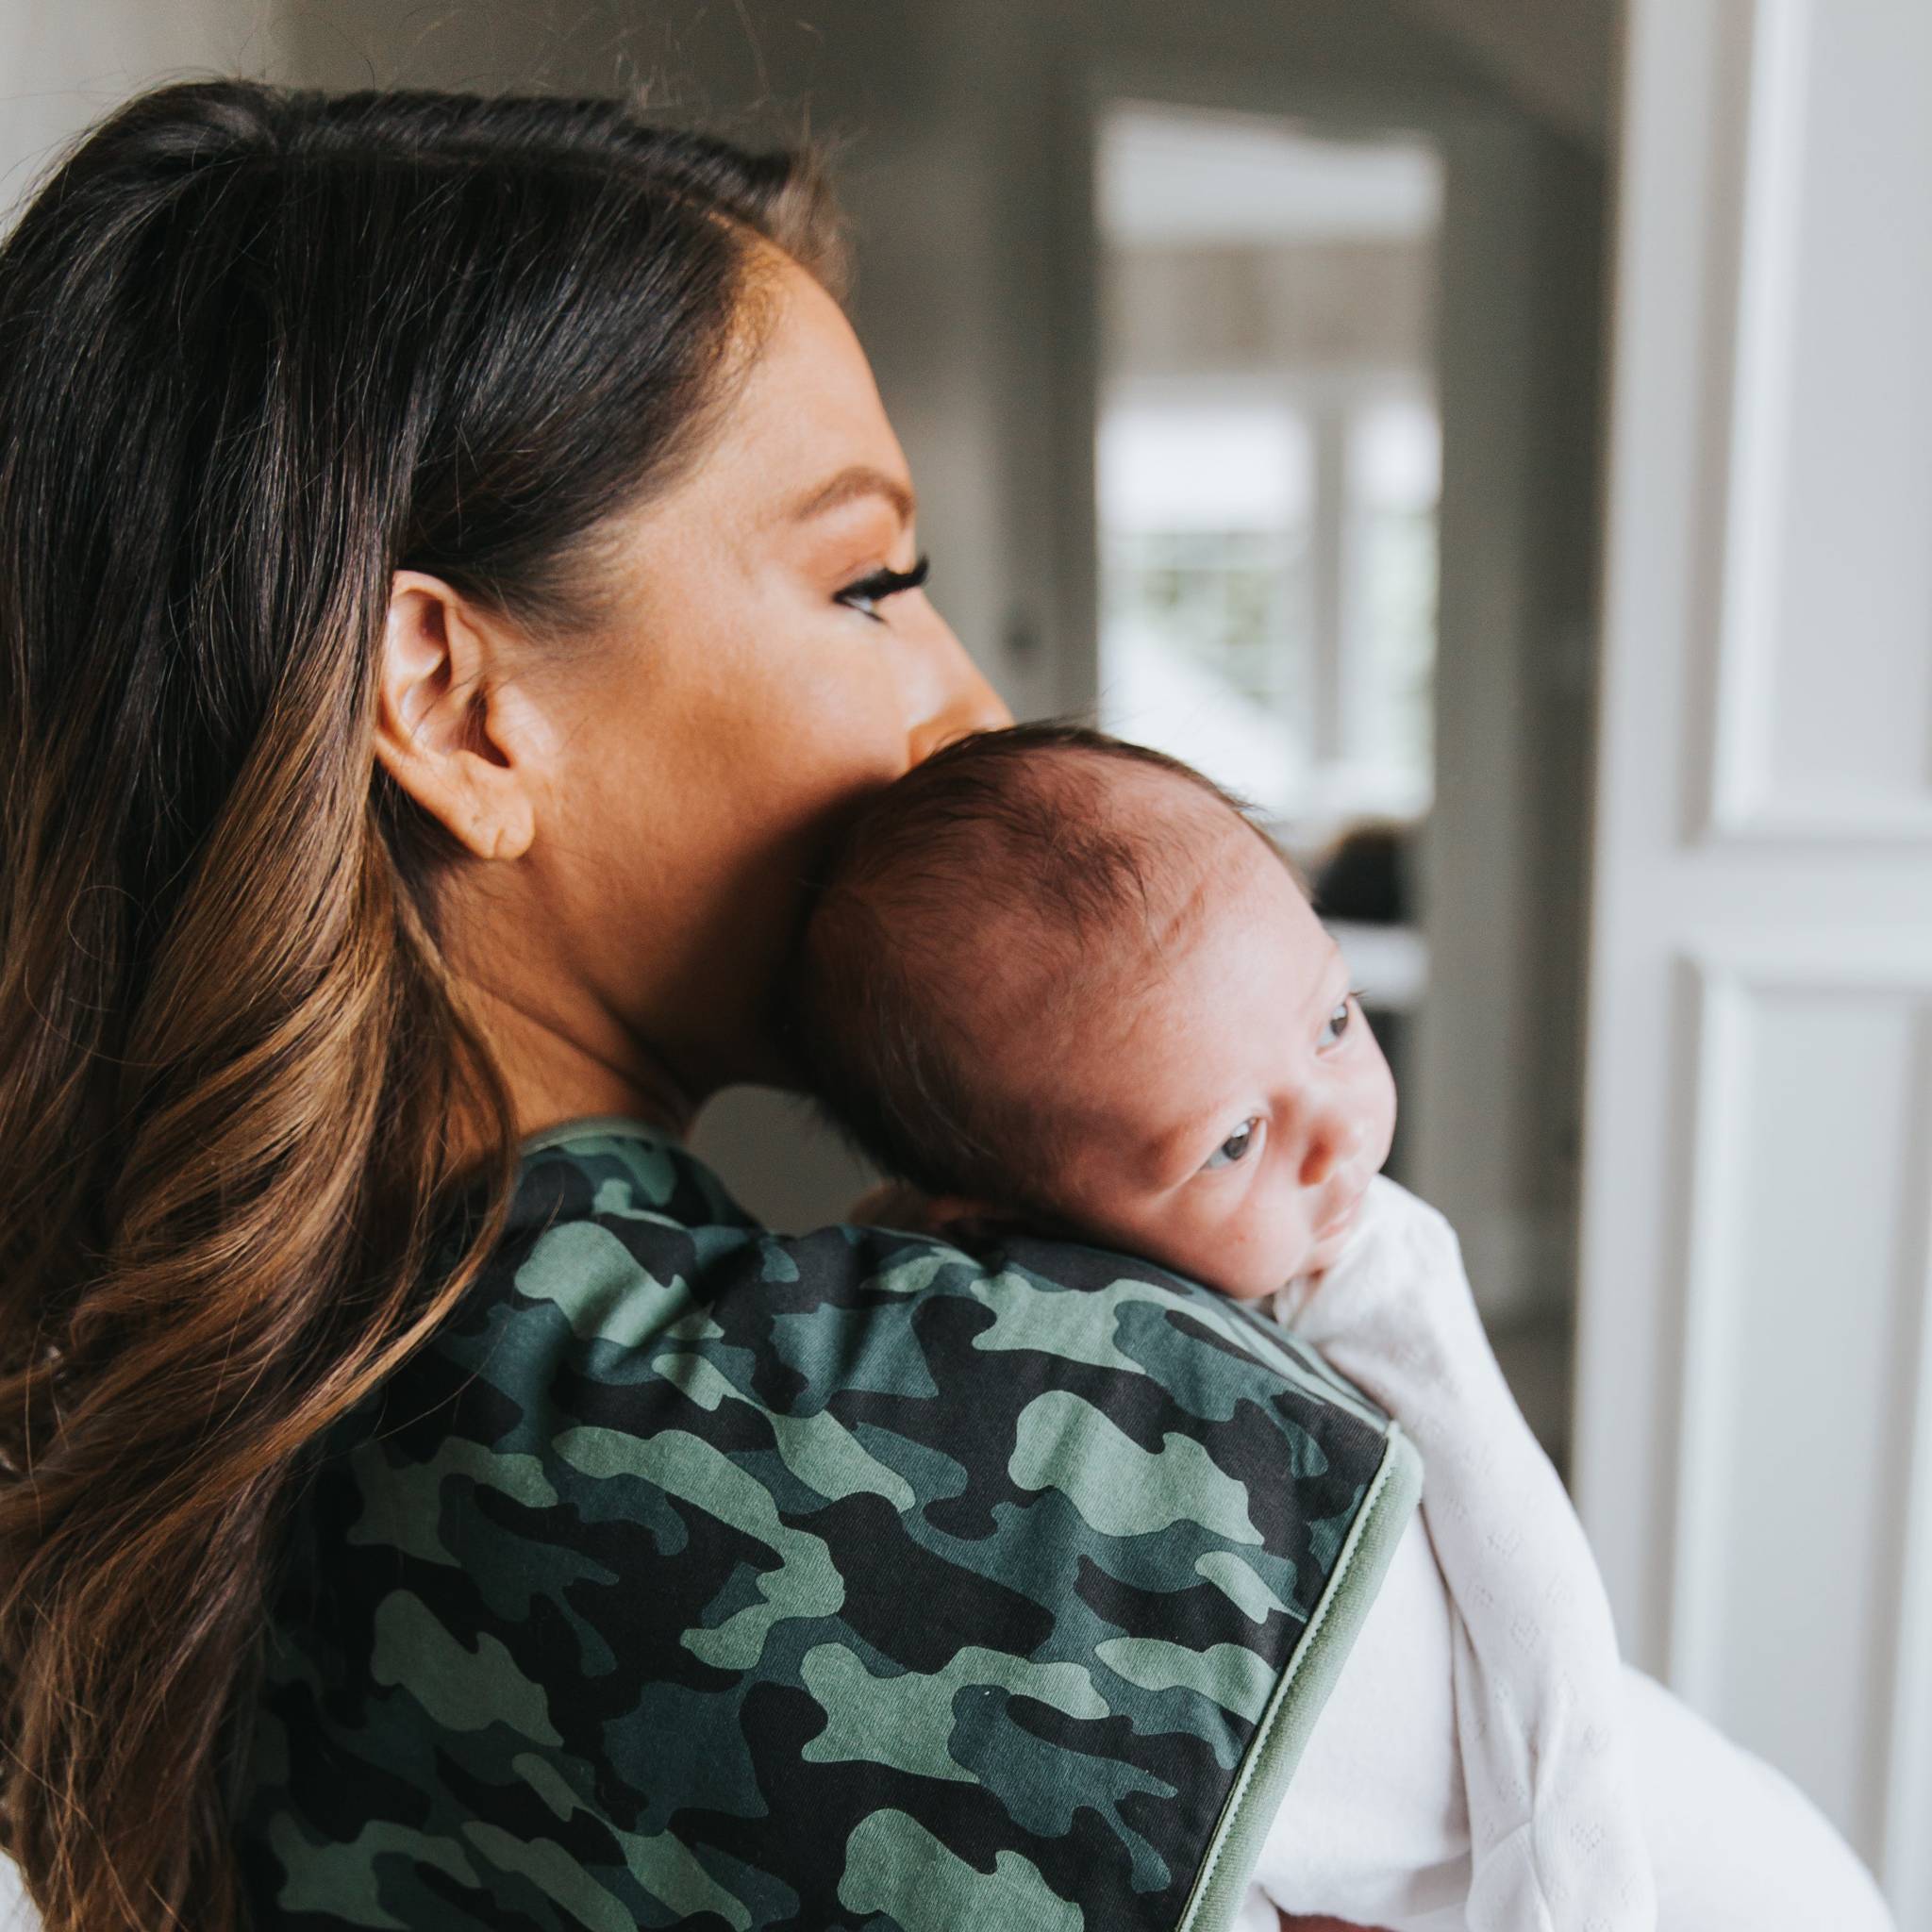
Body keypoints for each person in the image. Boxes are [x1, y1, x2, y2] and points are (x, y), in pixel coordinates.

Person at [0, 83, 1422, 1932]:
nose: (972, 709)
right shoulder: (978, 1455)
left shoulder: (146, 1386)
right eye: (872, 583)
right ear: (451, 703)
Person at [787, 721, 1897, 1931]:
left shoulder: (1369, 1262)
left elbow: (1538, 1613)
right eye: (1232, 1138)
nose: (1338, 1132)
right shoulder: (994, 1293)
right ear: (1006, 1212)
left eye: (1332, 1022)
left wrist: (1564, 1903)